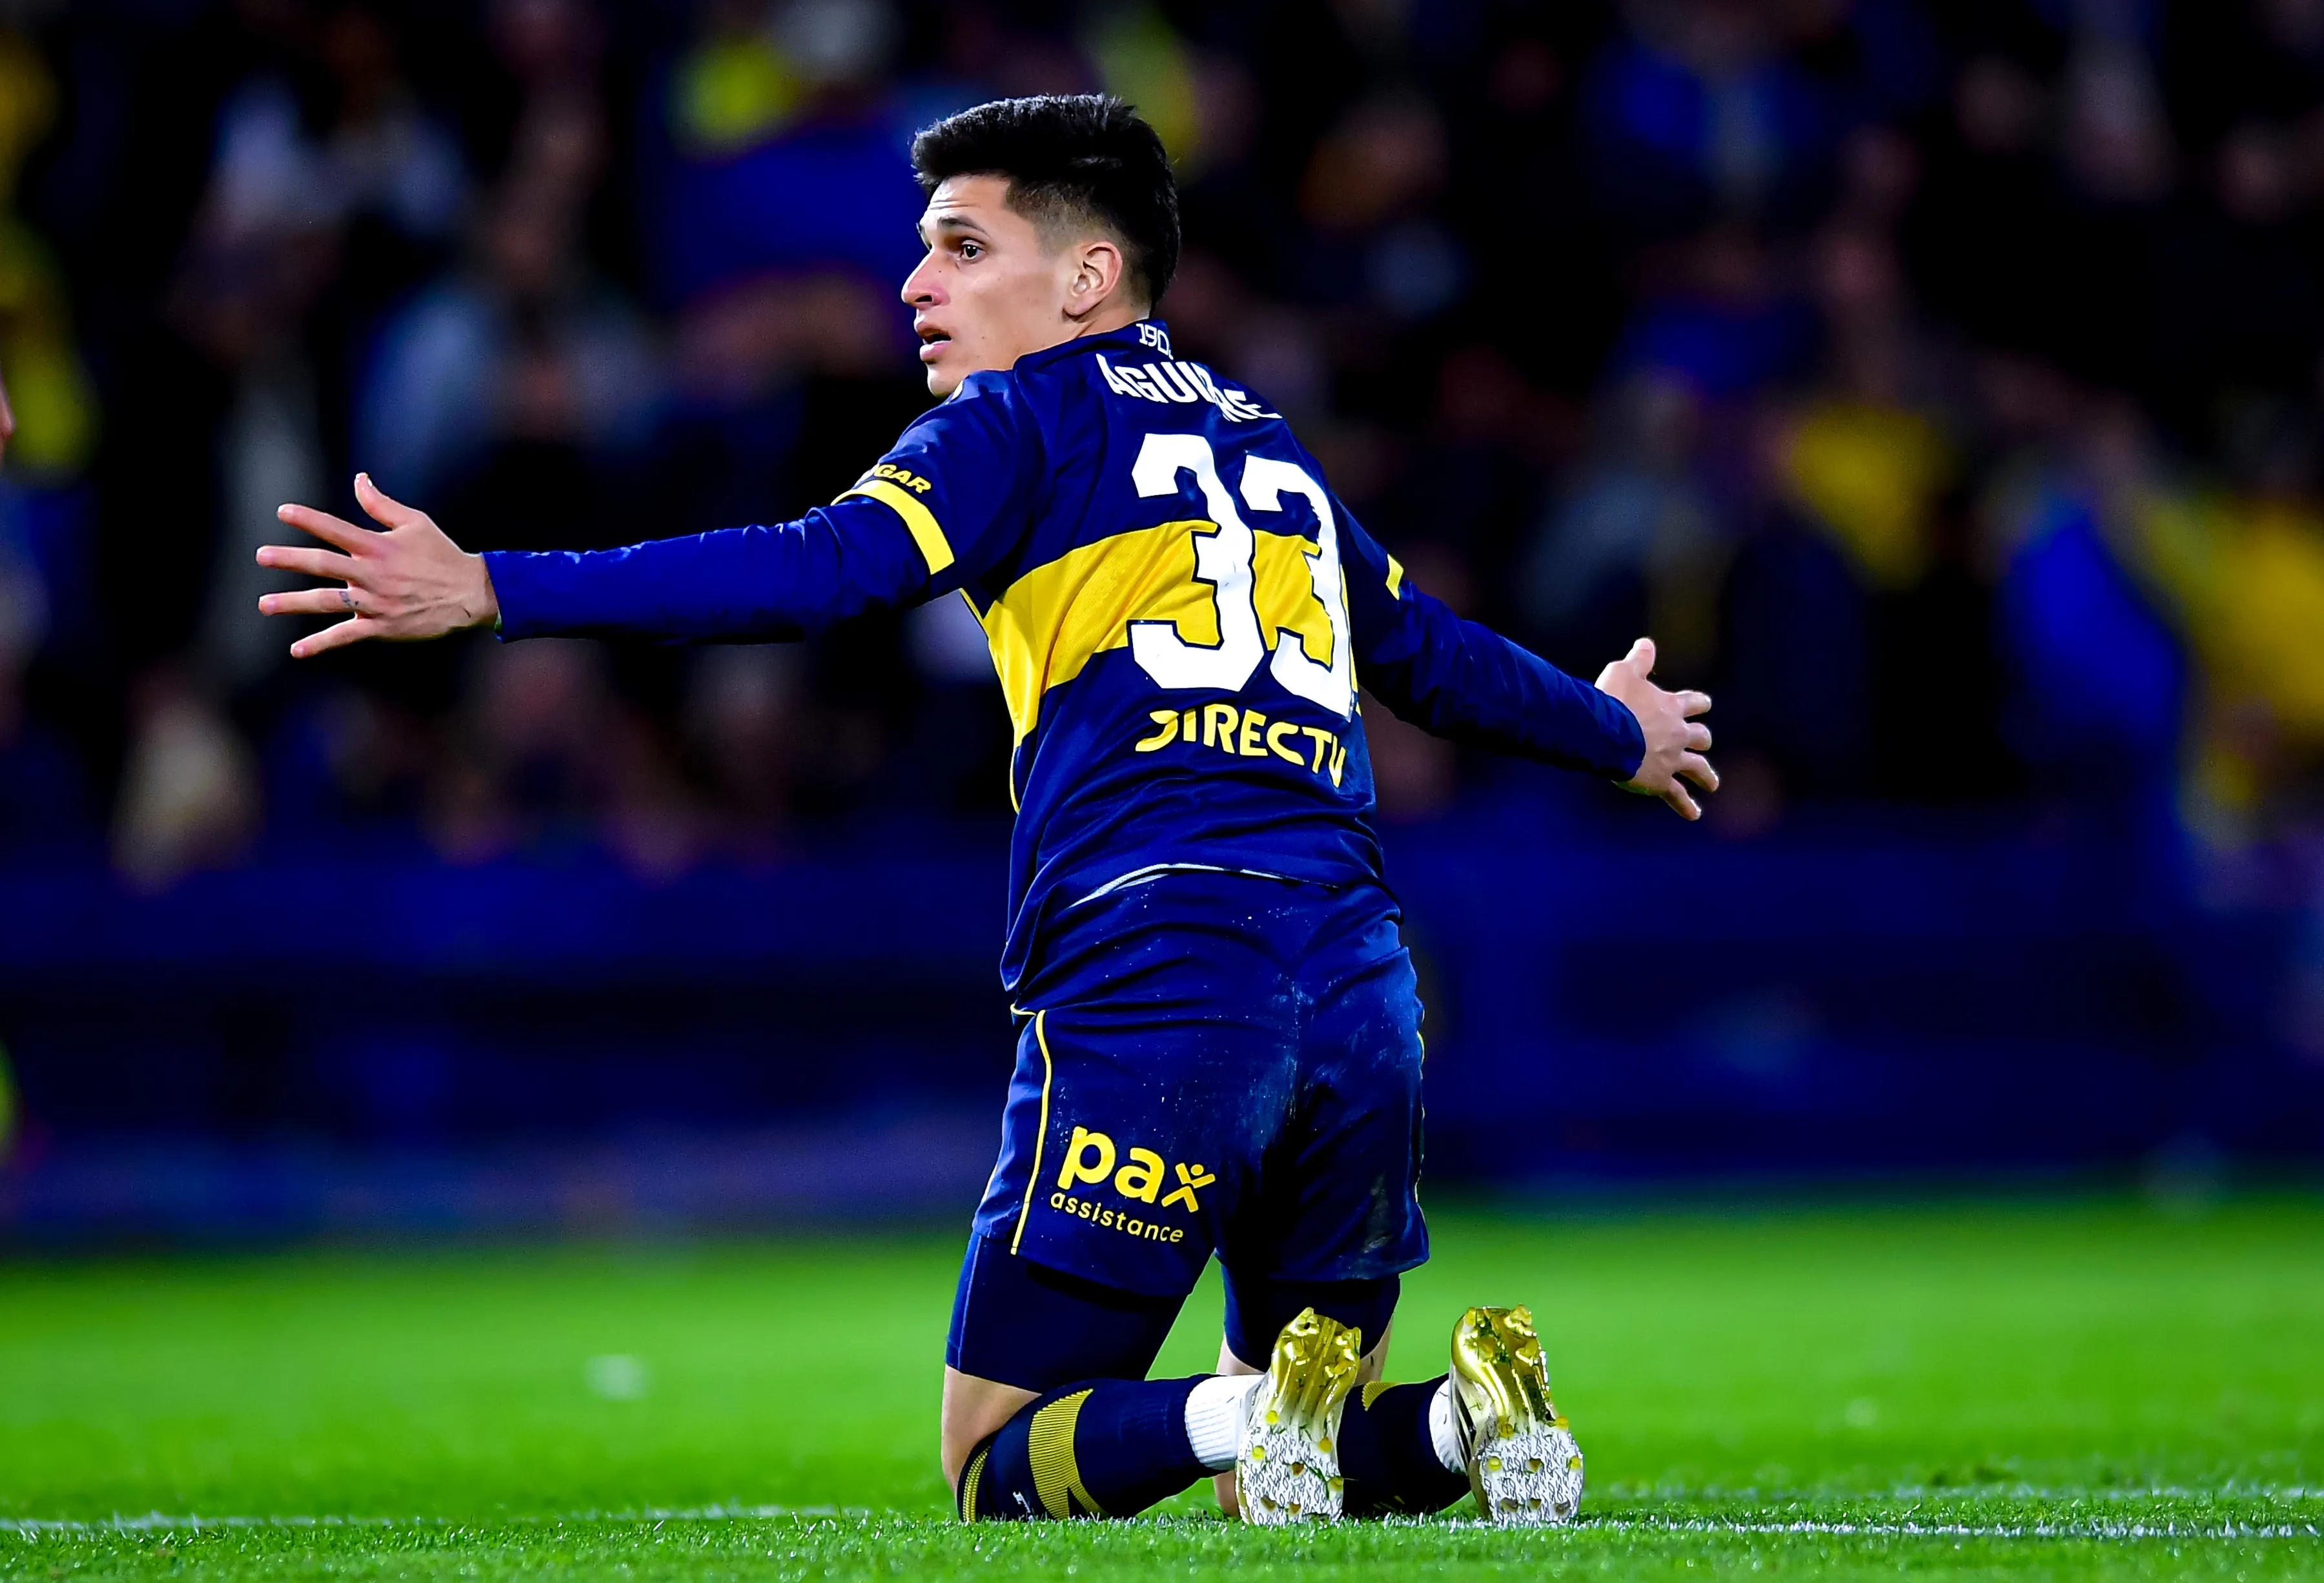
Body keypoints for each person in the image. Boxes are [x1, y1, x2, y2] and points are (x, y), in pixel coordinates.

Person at [257, 95, 1715, 1526]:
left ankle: (1247, 1403)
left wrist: (499, 585)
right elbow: (1432, 656)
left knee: (998, 1459)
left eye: (961, 247)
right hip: (1361, 986)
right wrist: (1614, 732)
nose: (914, 282)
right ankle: (1474, 1414)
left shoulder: (1014, 422)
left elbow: (818, 568)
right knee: (1290, 1480)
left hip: (1161, 975)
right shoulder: (1272, 447)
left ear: (1086, 278)